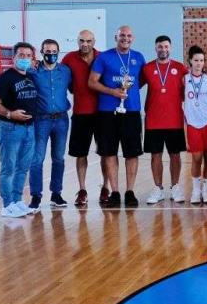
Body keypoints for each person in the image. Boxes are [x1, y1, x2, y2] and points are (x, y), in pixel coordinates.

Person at [88, 25, 146, 208]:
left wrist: (127, 91)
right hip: (107, 113)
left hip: (132, 111)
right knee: (109, 152)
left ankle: (130, 192)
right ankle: (114, 192)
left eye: (128, 36)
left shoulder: (138, 57)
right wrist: (112, 92)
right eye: (122, 35)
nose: (125, 38)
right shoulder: (104, 57)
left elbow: (141, 81)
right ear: (116, 37)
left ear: (132, 38)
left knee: (132, 153)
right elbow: (92, 82)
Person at [0, 42, 38, 218]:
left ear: (32, 59)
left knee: (23, 167)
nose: (25, 58)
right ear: (14, 57)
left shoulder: (31, 77)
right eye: (21, 55)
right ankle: (7, 204)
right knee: (8, 167)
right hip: (10, 128)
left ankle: (17, 201)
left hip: (29, 128)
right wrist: (10, 114)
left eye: (28, 56)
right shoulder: (4, 78)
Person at [141, 36, 189, 205]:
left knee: (175, 154)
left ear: (171, 48)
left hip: (174, 119)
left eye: (166, 46)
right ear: (156, 48)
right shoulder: (147, 68)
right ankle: (158, 188)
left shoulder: (180, 68)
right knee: (156, 155)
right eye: (160, 46)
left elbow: (191, 88)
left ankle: (175, 187)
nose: (163, 49)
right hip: (153, 120)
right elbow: (132, 86)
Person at [62, 30, 106, 206]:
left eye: (88, 41)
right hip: (80, 114)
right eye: (82, 40)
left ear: (94, 41)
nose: (85, 44)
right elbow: (63, 82)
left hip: (102, 113)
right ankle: (82, 190)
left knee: (105, 153)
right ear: (77, 41)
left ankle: (106, 188)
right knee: (81, 154)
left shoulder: (103, 57)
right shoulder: (68, 59)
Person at [28, 38, 72, 212]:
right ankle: (36, 196)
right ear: (42, 52)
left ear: (58, 53)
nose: (51, 54)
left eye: (54, 52)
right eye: (48, 51)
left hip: (61, 120)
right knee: (37, 158)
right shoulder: (33, 71)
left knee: (58, 158)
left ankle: (56, 194)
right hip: (41, 120)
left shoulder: (65, 71)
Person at [183, 45, 207, 204]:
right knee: (196, 157)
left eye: (202, 60)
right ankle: (196, 190)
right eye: (196, 60)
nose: (199, 63)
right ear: (190, 61)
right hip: (193, 122)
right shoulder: (184, 79)